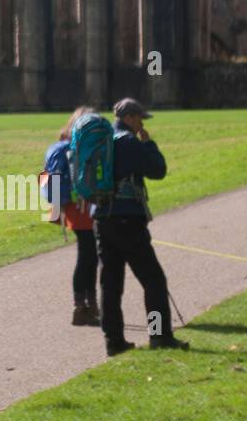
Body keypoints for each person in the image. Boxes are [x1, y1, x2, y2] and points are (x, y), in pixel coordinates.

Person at [92, 98, 188, 355]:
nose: (141, 124)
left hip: (101, 218)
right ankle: (160, 336)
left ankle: (114, 343)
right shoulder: (128, 142)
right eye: (140, 119)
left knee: (110, 285)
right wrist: (149, 143)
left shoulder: (100, 141)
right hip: (128, 219)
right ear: (130, 118)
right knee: (154, 280)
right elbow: (158, 170)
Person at [43, 106, 100, 326]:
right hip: (79, 209)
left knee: (91, 255)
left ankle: (90, 304)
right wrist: (57, 212)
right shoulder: (66, 149)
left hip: (85, 207)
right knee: (87, 255)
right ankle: (81, 306)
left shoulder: (73, 147)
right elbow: (53, 180)